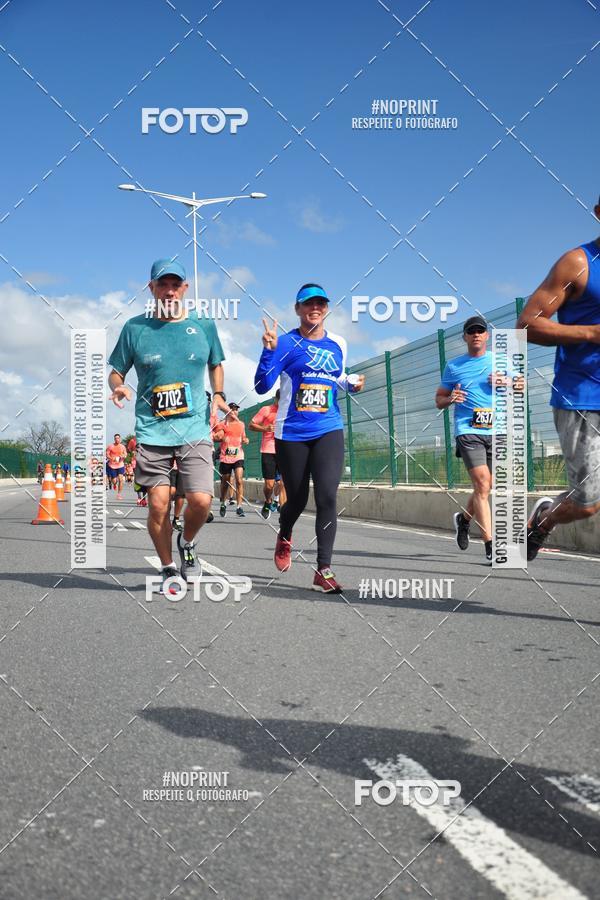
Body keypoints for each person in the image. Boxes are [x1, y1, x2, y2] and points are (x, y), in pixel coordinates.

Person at [107, 258, 228, 591]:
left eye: (176, 284)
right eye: (163, 284)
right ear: (152, 288)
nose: (170, 290)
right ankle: (168, 567)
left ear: (185, 289)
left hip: (194, 427)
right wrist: (117, 384)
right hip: (152, 429)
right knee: (159, 503)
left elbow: (216, 363)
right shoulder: (135, 328)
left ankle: (187, 543)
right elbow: (116, 370)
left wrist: (218, 394)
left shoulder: (204, 325)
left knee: (202, 501)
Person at [254, 283, 365, 592]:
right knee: (298, 499)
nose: (314, 308)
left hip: (328, 427)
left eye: (320, 303)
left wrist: (352, 383)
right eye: (307, 304)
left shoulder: (338, 343)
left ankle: (323, 569)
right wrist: (268, 351)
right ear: (298, 309)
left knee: (328, 496)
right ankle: (285, 530)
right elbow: (263, 386)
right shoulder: (286, 343)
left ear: (326, 308)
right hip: (291, 432)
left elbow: (338, 377)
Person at [517, 205, 600, 559]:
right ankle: (545, 521)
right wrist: (591, 334)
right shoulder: (578, 264)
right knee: (586, 505)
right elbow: (527, 325)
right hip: (582, 397)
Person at [435, 316, 520, 564]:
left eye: (480, 331)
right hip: (468, 430)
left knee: (485, 487)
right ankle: (491, 545)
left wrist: (507, 381)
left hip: (498, 430)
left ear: (487, 336)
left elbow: (521, 385)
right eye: (471, 331)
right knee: (483, 484)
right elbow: (438, 399)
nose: (476, 335)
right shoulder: (454, 366)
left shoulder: (501, 360)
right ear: (464, 337)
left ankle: (464, 520)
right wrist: (451, 398)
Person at [250, 388, 286, 519]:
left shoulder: (289, 411)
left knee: (283, 483)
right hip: (268, 450)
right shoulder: (266, 410)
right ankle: (267, 501)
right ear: (276, 399)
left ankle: (283, 512)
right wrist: (265, 428)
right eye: (281, 400)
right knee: (269, 485)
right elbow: (251, 425)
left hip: (284, 450)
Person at [214, 403, 249, 517]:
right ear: (227, 412)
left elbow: (243, 437)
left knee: (239, 479)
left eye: (236, 410)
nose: (235, 412)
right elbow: (217, 437)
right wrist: (221, 436)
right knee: (225, 482)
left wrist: (245, 439)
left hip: (238, 456)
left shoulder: (241, 424)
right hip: (226, 457)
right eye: (232, 410)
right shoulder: (223, 424)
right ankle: (223, 503)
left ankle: (239, 507)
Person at [105, 434, 126, 500]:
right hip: (112, 465)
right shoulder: (110, 446)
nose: (117, 439)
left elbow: (125, 453)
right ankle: (114, 484)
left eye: (118, 438)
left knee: (121, 479)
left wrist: (123, 456)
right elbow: (107, 454)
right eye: (116, 438)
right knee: (114, 481)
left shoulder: (122, 446)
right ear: (114, 439)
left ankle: (119, 494)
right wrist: (112, 458)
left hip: (120, 465)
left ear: (120, 439)